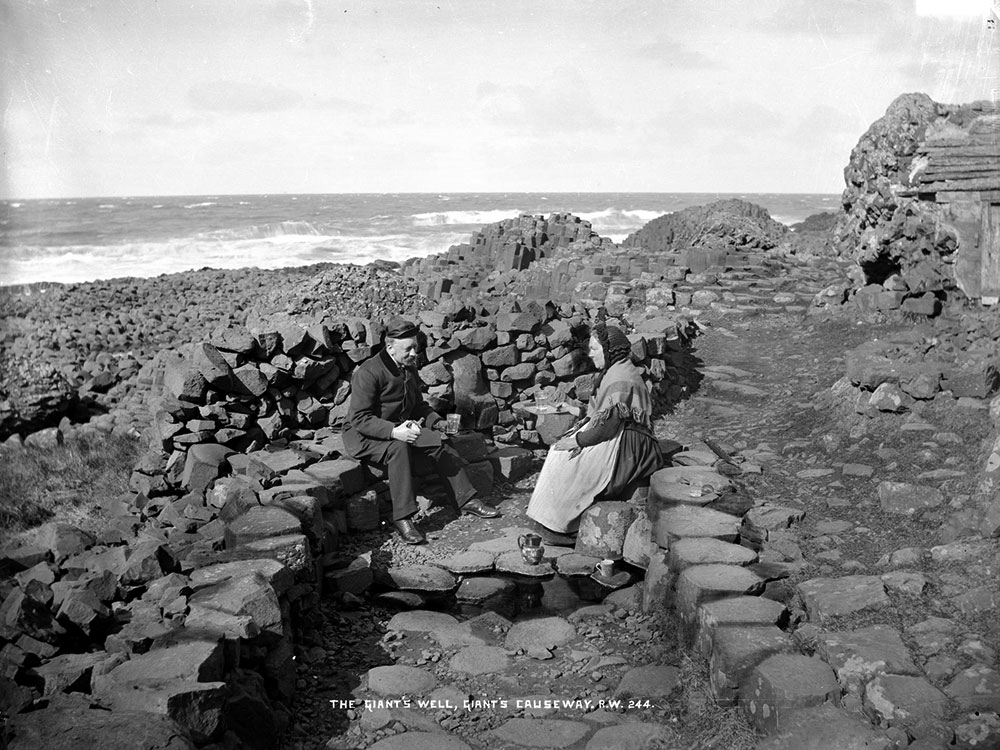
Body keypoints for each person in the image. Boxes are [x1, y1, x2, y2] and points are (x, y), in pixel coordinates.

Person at [342, 317, 499, 544]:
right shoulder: (369, 372)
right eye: (408, 349)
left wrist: (437, 423)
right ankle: (403, 518)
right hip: (364, 436)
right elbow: (359, 418)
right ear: (390, 347)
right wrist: (394, 432)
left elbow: (418, 406)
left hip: (400, 427)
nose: (415, 353)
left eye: (416, 347)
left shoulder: (407, 367)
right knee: (398, 448)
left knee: (439, 442)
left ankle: (467, 500)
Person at [526, 322, 662, 544]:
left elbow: (607, 425)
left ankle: (565, 527)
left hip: (631, 443)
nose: (590, 354)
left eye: (594, 349)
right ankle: (555, 519)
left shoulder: (621, 377)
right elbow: (602, 413)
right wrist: (572, 409)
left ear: (609, 350)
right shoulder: (615, 371)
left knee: (570, 459)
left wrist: (578, 441)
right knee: (561, 451)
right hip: (618, 432)